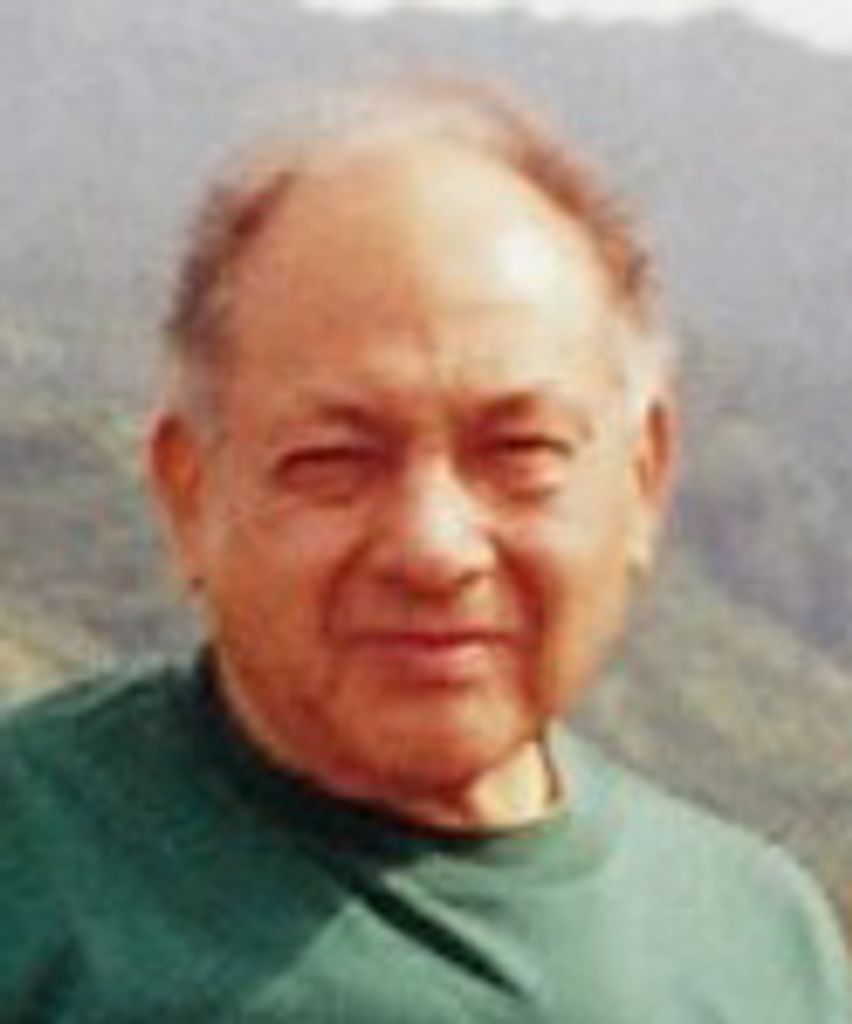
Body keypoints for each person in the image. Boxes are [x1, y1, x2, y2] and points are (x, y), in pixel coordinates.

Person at [1, 78, 849, 1022]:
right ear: (188, 492)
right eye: (334, 461)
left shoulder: (759, 946)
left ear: (644, 479)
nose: (434, 549)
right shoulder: (33, 874)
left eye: (520, 453)